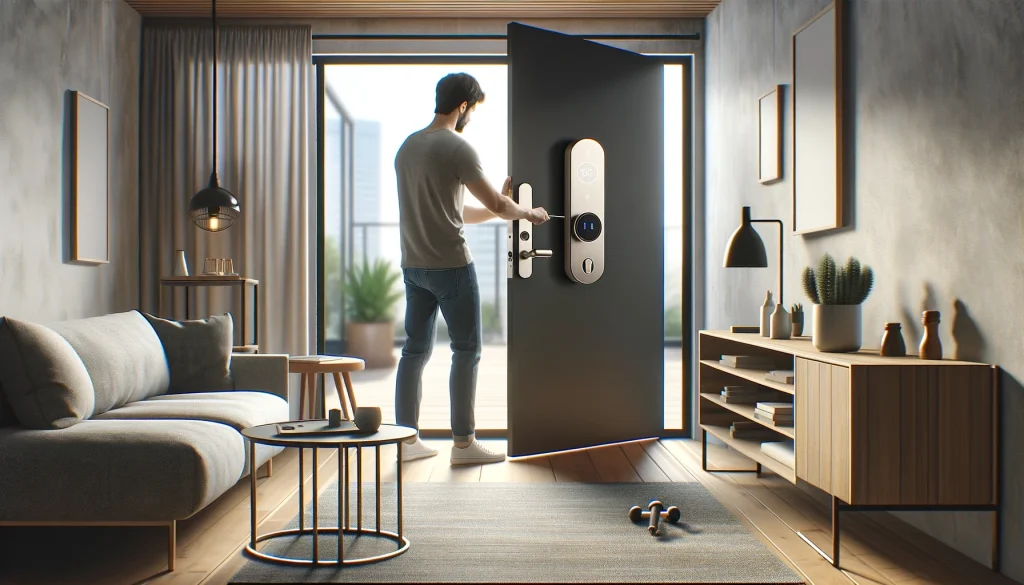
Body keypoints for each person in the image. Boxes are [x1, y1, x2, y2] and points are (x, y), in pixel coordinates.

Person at [393, 72, 549, 465]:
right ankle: (463, 445)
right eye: (472, 110)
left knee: (413, 352)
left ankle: (405, 442)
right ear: (463, 106)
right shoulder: (458, 148)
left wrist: (501, 208)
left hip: (414, 267)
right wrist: (528, 212)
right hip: (451, 268)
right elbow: (497, 204)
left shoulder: (407, 148)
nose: (471, 116)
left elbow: (458, 210)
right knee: (466, 350)